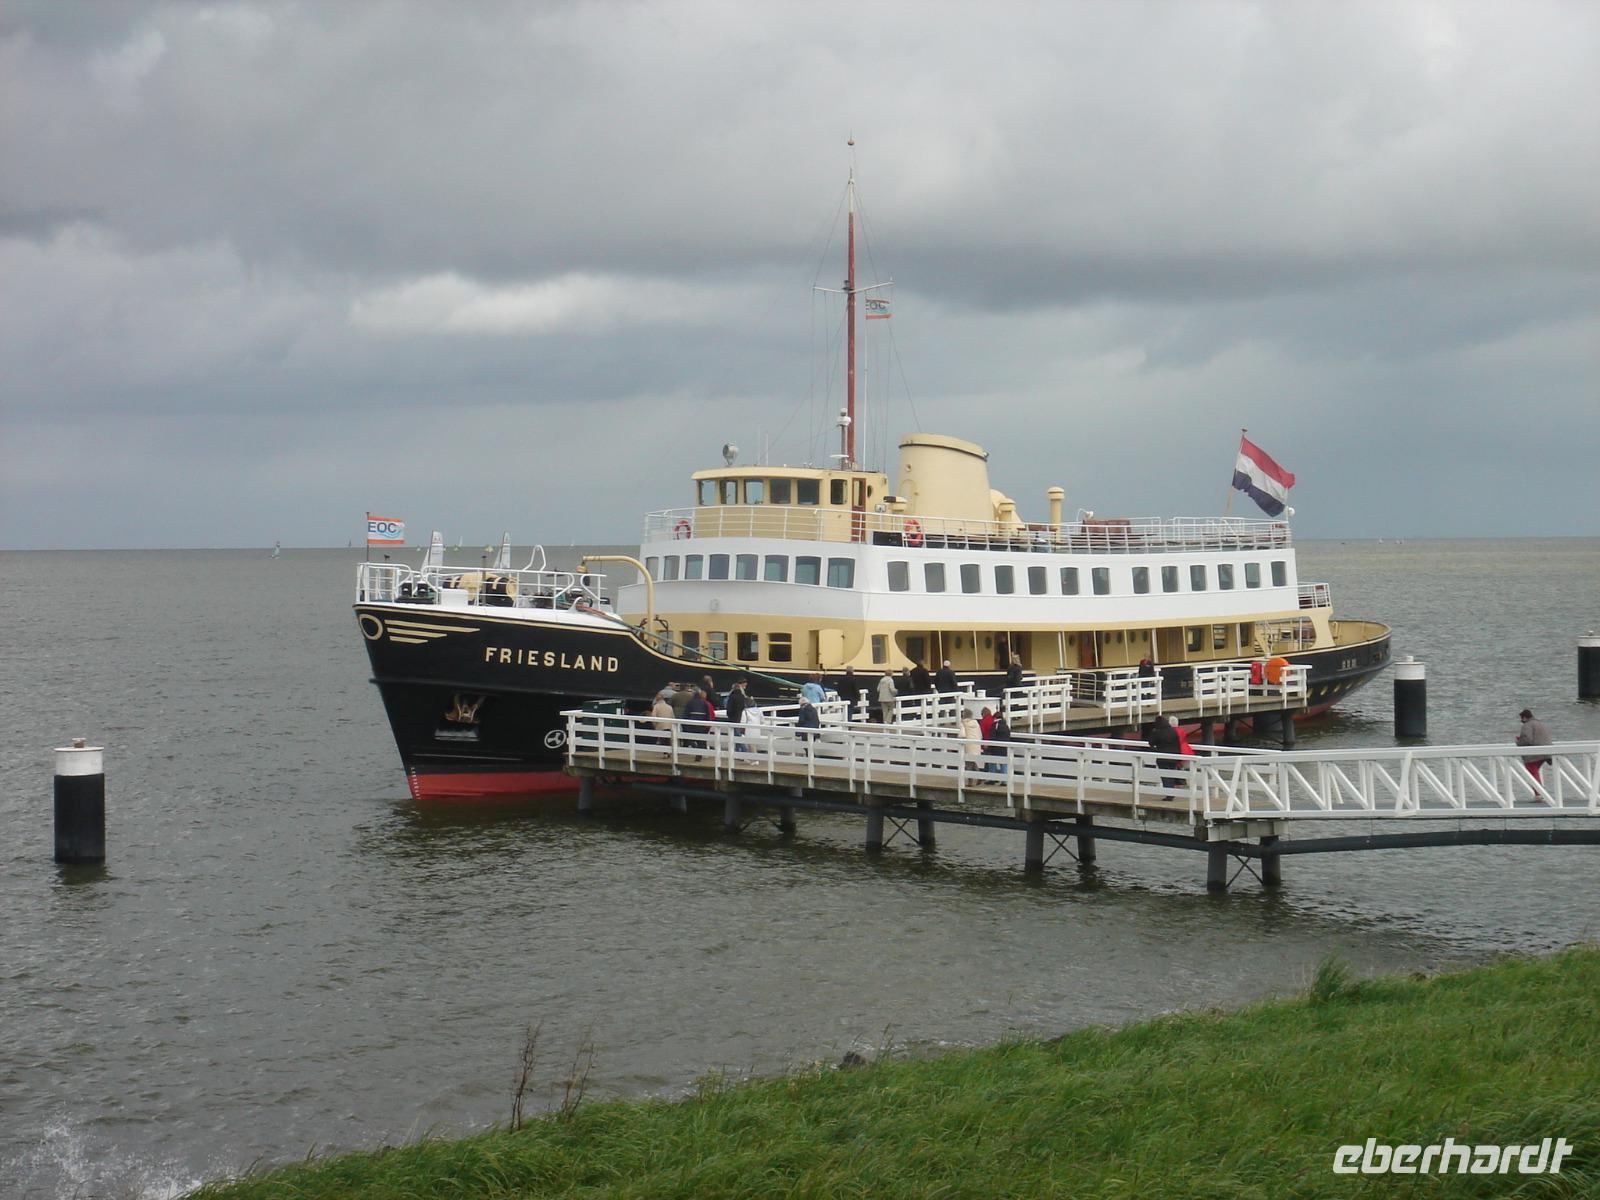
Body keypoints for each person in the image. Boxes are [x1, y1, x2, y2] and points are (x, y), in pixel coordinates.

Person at [1515, 708, 1553, 782]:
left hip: (1535, 755)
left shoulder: (1527, 725)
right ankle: (1537, 788)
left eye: (1521, 718)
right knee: (1534, 771)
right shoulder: (1539, 723)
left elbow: (1527, 740)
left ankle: (1537, 789)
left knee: (1531, 771)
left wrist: (1518, 742)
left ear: (1524, 717)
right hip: (1547, 752)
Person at [684, 687, 713, 755]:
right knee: (701, 739)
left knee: (690, 737)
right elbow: (708, 714)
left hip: (692, 723)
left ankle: (696, 748)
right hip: (702, 723)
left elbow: (686, 714)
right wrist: (708, 722)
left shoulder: (690, 702)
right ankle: (700, 753)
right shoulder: (705, 703)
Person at [724, 677, 750, 751]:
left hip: (732, 717)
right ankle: (737, 750)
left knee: (736, 734)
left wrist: (729, 714)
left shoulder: (732, 696)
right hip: (739, 716)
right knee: (736, 733)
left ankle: (744, 750)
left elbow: (729, 707)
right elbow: (742, 706)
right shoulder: (741, 696)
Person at [984, 709, 1012, 774]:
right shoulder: (1006, 725)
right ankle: (1005, 778)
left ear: (995, 718)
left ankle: (993, 777)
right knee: (1004, 764)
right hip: (1004, 747)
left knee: (992, 763)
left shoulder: (994, 725)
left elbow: (992, 737)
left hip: (995, 748)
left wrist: (988, 746)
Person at [959, 708, 983, 774]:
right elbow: (980, 735)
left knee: (968, 763)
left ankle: (970, 778)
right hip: (976, 745)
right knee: (973, 761)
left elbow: (962, 735)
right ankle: (978, 775)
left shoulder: (963, 723)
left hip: (968, 745)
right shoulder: (976, 723)